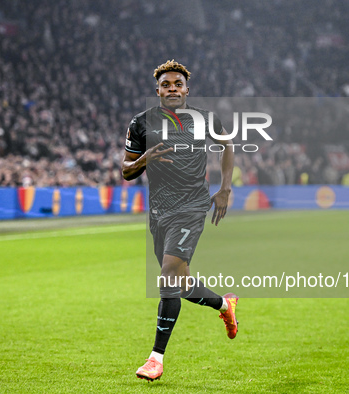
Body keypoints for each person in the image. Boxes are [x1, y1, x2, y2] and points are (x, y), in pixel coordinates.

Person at [121, 60, 238, 382]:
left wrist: (225, 189)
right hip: (159, 211)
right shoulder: (141, 124)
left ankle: (155, 359)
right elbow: (126, 170)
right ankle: (224, 305)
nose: (172, 88)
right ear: (157, 90)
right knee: (179, 284)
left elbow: (227, 146)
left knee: (168, 277)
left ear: (187, 89)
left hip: (191, 207)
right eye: (166, 84)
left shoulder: (205, 119)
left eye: (177, 84)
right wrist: (145, 159)